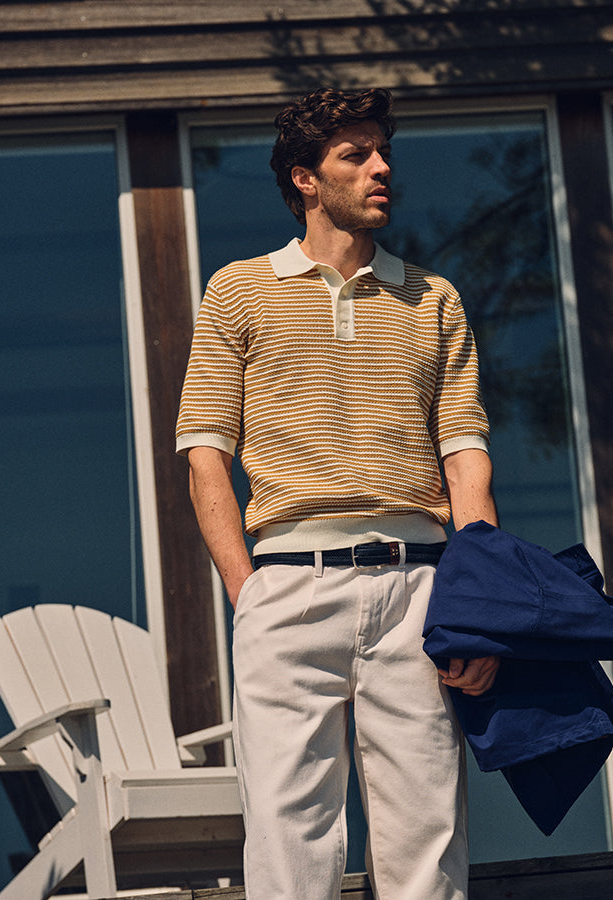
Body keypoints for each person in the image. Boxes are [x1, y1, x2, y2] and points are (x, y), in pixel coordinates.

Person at [175, 86, 499, 900]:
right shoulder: (239, 292)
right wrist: (247, 592)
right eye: (355, 155)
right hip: (287, 586)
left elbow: (465, 462)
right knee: (289, 849)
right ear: (305, 180)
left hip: (420, 593)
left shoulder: (435, 300)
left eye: (383, 152)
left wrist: (480, 603)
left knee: (429, 845)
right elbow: (205, 456)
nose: (382, 168)